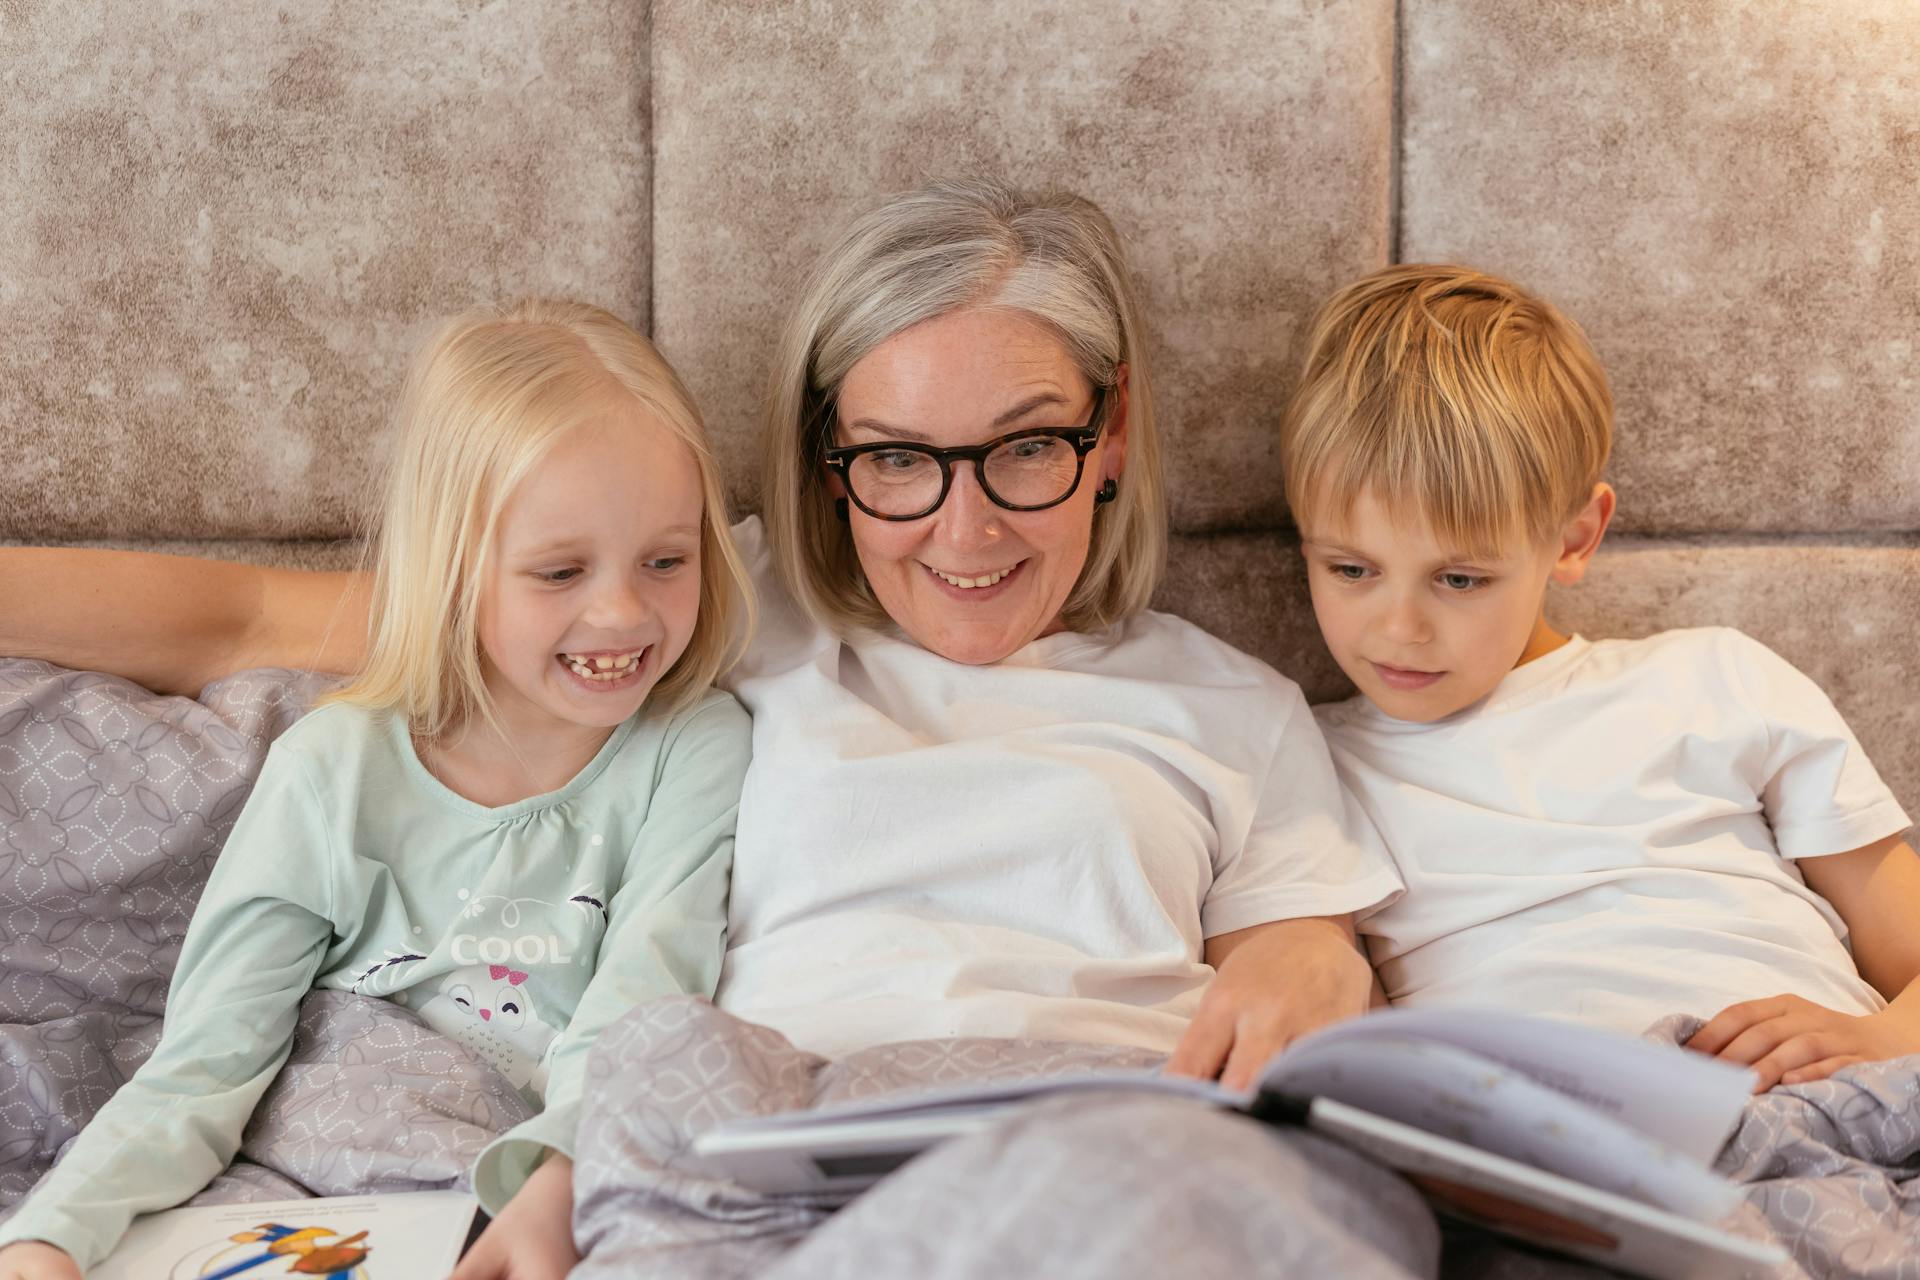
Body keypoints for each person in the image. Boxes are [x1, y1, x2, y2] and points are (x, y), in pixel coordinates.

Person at [2, 179, 1432, 1277]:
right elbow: (248, 629)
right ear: (829, 457)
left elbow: (1303, 952)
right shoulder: (702, 599)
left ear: (1111, 433)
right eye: (895, 463)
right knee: (663, 1071)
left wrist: (1318, 957)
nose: (966, 525)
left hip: (1093, 1114)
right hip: (770, 1131)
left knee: (1292, 1203)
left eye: (1025, 447)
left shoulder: (1228, 703)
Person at [0, 301, 754, 1279]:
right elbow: (210, 1054)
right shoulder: (332, 766)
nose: (621, 612)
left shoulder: (692, 744)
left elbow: (651, 993)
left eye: (667, 559)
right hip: (312, 1174)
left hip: (537, 1178)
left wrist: (561, 1178)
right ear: (451, 570)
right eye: (559, 570)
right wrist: (51, 1233)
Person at [1280, 264, 1920, 1090]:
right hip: (1550, 1146)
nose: (1398, 629)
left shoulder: (1716, 680)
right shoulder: (1302, 764)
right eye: (1349, 569)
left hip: (1822, 1101)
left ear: (1576, 538)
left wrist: (1882, 1040)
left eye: (1460, 579)